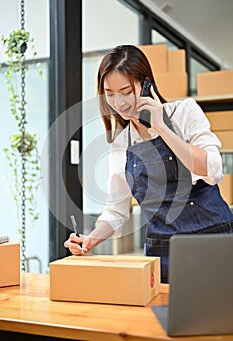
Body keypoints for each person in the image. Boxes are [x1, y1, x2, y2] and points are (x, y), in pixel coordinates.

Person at [64, 45, 233, 283]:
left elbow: (211, 169)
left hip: (211, 241)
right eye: (109, 94)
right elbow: (116, 210)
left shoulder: (183, 112)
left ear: (146, 84)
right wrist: (91, 239)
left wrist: (162, 127)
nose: (118, 102)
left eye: (125, 91)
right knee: (160, 318)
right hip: (161, 253)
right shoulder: (122, 143)